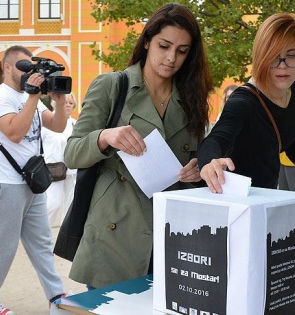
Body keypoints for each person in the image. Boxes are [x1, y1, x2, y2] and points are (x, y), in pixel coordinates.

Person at [63, 3, 212, 289]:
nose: (171, 58)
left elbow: (196, 158)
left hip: (171, 237)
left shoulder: (193, 98)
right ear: (147, 41)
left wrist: (198, 170)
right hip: (114, 237)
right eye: (164, 46)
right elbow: (72, 153)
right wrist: (105, 136)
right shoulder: (111, 86)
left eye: (182, 51)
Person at [198, 13, 295, 196]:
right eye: (273, 56)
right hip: (232, 198)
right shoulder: (243, 102)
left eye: (291, 56)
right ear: (261, 56)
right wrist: (209, 162)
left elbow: (293, 144)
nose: (282, 66)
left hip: (268, 197)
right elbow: (216, 139)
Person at [0, 45, 66, 315]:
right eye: (23, 67)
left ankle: (56, 296)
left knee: (41, 241)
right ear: (7, 68)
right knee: (2, 246)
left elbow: (58, 125)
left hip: (31, 182)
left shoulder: (30, 98)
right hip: (4, 183)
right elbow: (15, 133)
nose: (29, 72)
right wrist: (32, 96)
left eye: (31, 67)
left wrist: (59, 100)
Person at [42, 93, 78, 226]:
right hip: (54, 170)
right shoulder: (47, 123)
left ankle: (65, 240)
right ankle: (42, 233)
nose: (68, 105)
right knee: (53, 204)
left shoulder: (75, 124)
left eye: (71, 103)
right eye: (65, 102)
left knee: (70, 208)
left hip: (72, 171)